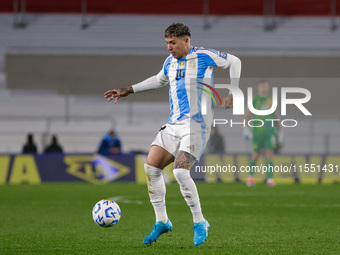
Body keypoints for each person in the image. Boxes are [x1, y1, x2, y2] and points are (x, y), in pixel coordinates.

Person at [104, 23, 241, 246]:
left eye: (173, 43)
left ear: (186, 41)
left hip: (196, 125)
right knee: (151, 168)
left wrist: (233, 91)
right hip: (173, 125)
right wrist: (128, 89)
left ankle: (200, 222)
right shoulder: (170, 62)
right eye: (167, 43)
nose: (169, 47)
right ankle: (162, 222)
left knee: (180, 172)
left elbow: (235, 61)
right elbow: (159, 80)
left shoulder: (204, 56)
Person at [244, 81, 284, 187]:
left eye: (266, 86)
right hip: (257, 132)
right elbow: (248, 115)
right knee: (255, 154)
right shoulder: (254, 100)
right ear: (258, 87)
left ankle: (270, 178)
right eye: (262, 86)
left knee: (269, 154)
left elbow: (276, 116)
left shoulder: (271, 100)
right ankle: (250, 177)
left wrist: (280, 131)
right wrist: (246, 129)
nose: (264, 88)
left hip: (270, 132)